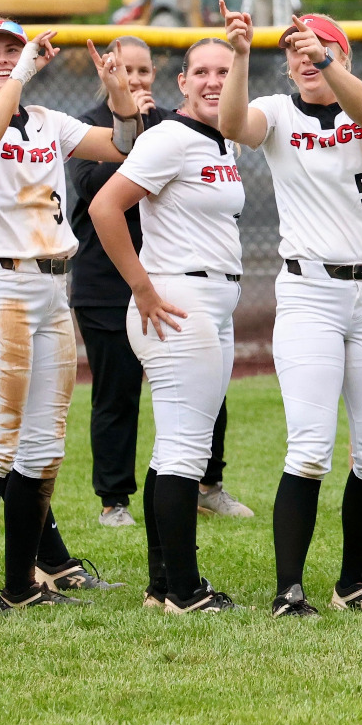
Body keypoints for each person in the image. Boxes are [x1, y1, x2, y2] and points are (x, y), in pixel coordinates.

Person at [0, 18, 143, 615]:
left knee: (42, 448)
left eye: (13, 49)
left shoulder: (51, 123)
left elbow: (124, 145)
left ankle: (22, 582)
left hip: (53, 287)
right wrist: (25, 70)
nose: (5, 59)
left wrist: (117, 96)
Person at [217, 11, 362, 618]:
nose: (305, 58)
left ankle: (354, 579)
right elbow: (232, 124)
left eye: (320, 47)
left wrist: (326, 59)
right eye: (297, 50)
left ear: (345, 57)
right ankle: (288, 589)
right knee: (310, 447)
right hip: (311, 292)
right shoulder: (277, 111)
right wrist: (244, 55)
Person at [90, 32, 249, 614]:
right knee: (185, 449)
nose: (213, 82)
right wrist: (142, 287)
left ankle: (163, 584)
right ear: (180, 83)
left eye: (224, 72)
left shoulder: (220, 141)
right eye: (201, 71)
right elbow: (104, 206)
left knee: (176, 447)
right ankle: (184, 589)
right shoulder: (172, 137)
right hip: (178, 299)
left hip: (210, 303)